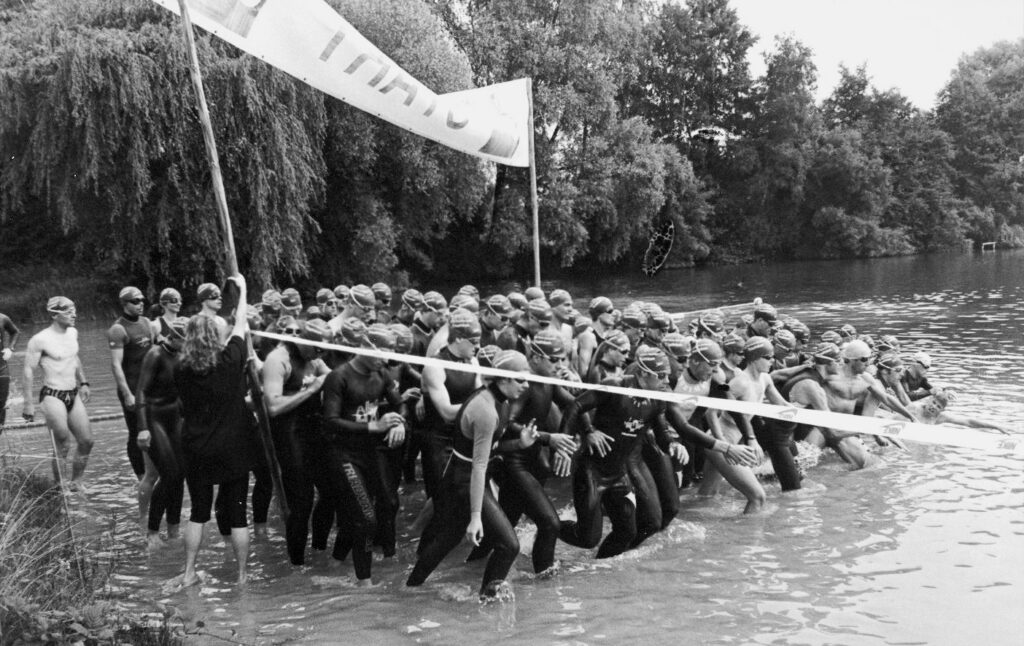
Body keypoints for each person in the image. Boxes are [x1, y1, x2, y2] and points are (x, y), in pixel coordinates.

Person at [407, 350, 533, 601]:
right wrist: (476, 517)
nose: (526, 385)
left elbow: (491, 450)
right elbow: (478, 467)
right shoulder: (485, 410)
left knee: (449, 538)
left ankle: (409, 589)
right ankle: (487, 601)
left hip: (462, 477)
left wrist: (519, 444)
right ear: (504, 379)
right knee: (510, 545)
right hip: (464, 481)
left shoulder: (501, 401)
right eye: (521, 379)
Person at [558, 347, 707, 557]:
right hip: (592, 470)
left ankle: (598, 568)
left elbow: (662, 431)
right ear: (644, 373)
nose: (666, 381)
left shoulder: (655, 398)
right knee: (587, 539)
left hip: (619, 475)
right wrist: (587, 432)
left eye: (667, 376)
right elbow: (575, 406)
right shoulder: (615, 386)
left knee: (630, 531)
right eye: (661, 376)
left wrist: (673, 445)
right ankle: (548, 527)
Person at [468, 329, 579, 575]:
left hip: (531, 461)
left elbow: (574, 403)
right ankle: (544, 578)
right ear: (536, 358)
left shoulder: (547, 380)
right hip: (514, 463)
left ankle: (467, 568)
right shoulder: (523, 386)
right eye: (555, 359)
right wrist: (549, 438)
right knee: (549, 523)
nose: (560, 364)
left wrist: (579, 434)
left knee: (506, 523)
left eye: (563, 359)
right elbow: (507, 424)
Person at [171, 274, 254, 587]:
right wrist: (243, 291)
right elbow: (242, 324)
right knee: (237, 514)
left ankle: (190, 571)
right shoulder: (230, 359)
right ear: (216, 335)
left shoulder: (181, 366)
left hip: (196, 445)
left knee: (198, 511)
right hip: (233, 445)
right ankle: (243, 577)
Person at [321, 324, 407, 585]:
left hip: (369, 454)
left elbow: (400, 403)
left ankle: (334, 563)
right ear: (366, 347)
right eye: (382, 353)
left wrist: (400, 422)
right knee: (367, 518)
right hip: (343, 455)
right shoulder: (339, 377)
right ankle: (364, 584)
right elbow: (330, 421)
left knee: (358, 516)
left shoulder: (381, 374)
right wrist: (374, 426)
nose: (386, 359)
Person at [261, 318, 331, 566]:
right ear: (302, 340)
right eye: (316, 349)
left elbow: (333, 379)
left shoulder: (315, 357)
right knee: (301, 502)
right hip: (289, 434)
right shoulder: (277, 360)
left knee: (331, 492)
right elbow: (273, 407)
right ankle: (297, 565)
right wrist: (311, 390)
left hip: (314, 431)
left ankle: (320, 550)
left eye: (323, 351)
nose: (319, 355)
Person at [23, 297, 93, 489]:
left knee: (86, 441)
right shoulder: (40, 339)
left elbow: (74, 357)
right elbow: (28, 371)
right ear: (55, 314)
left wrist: (84, 381)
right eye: (69, 311)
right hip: (52, 394)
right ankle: (59, 486)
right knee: (63, 442)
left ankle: (76, 482)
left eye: (74, 310)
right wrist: (28, 404)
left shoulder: (73, 332)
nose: (74, 314)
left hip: (73, 392)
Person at [136, 316, 189, 550]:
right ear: (174, 337)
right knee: (169, 475)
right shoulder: (155, 354)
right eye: (186, 341)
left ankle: (174, 529)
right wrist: (143, 428)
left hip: (174, 417)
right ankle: (152, 532)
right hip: (154, 417)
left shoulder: (182, 355)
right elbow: (141, 393)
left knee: (181, 474)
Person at [108, 286, 157, 528]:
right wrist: (127, 393)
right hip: (131, 389)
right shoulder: (118, 329)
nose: (140, 304)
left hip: (150, 390)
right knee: (136, 432)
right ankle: (141, 475)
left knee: (152, 430)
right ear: (124, 304)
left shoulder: (148, 323)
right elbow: (116, 366)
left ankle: (151, 471)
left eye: (142, 300)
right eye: (135, 301)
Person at [0, 311, 20, 428]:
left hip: (1, 367)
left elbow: (15, 332)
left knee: (1, 404)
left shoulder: (2, 318)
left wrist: (10, 348)